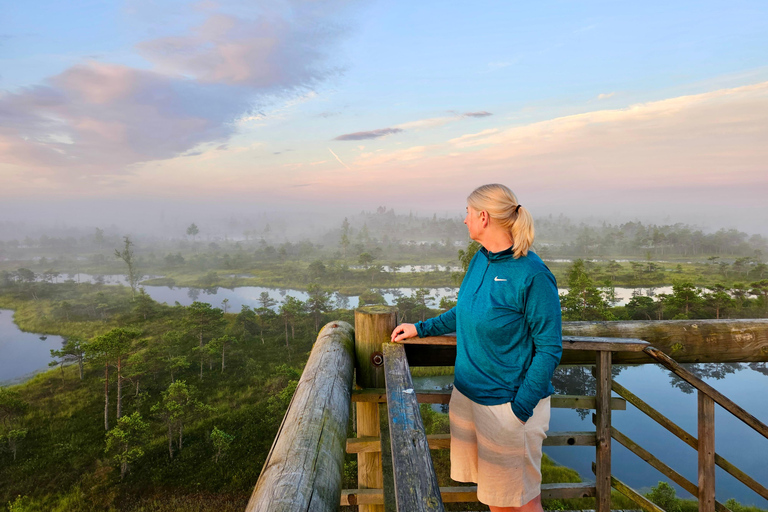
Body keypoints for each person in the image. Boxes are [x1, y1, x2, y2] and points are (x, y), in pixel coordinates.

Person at [391, 184, 562, 512]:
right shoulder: (481, 258)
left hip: (507, 406)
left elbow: (549, 349)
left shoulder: (533, 275)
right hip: (470, 398)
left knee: (522, 504)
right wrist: (421, 328)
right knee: (497, 500)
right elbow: (466, 310)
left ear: (484, 217)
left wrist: (519, 411)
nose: (464, 219)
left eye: (468, 212)